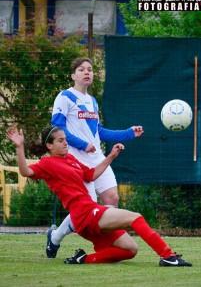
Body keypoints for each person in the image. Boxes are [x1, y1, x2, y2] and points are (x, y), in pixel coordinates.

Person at [7, 126, 192, 267]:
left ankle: (82, 259)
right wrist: (19, 147)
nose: (65, 143)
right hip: (85, 213)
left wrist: (111, 156)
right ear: (49, 145)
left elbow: (91, 174)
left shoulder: (70, 159)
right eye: (60, 140)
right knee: (134, 217)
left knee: (130, 250)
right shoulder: (46, 163)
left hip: (87, 216)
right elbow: (25, 171)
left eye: (65, 140)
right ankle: (168, 257)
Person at [49, 57, 144, 258]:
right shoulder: (65, 97)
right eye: (82, 69)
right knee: (86, 210)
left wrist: (128, 133)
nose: (87, 72)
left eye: (90, 69)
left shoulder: (92, 101)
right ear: (73, 75)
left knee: (112, 198)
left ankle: (108, 244)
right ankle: (55, 237)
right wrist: (82, 144)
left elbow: (98, 132)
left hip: (98, 160)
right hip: (77, 162)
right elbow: (58, 128)